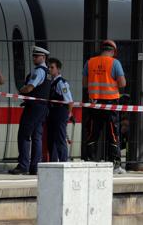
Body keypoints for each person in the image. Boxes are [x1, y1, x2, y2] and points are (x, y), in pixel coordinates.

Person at [83, 40, 127, 174]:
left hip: (94, 103)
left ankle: (90, 161)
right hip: (110, 103)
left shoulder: (90, 62)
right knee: (113, 133)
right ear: (113, 51)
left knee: (92, 132)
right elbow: (122, 83)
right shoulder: (115, 63)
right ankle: (116, 165)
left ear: (102, 49)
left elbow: (85, 83)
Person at [9, 46, 51, 175]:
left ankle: (23, 165)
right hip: (42, 108)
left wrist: (20, 90)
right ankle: (34, 167)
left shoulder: (38, 71)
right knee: (37, 137)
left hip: (34, 108)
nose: (34, 58)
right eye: (33, 56)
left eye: (36, 56)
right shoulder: (48, 72)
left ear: (43, 57)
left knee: (24, 135)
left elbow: (29, 88)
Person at [47, 58, 74, 162]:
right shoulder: (52, 83)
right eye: (49, 67)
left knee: (60, 139)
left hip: (60, 112)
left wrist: (68, 114)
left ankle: (63, 162)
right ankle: (53, 163)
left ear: (58, 69)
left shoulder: (61, 83)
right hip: (53, 113)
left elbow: (69, 101)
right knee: (51, 140)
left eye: (52, 67)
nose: (50, 69)